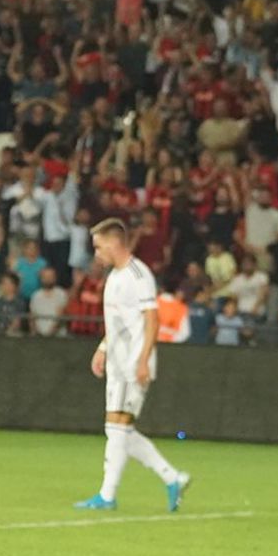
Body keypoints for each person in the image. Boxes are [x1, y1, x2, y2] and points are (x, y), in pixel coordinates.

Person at [74, 219, 191, 513]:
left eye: (99, 247)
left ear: (115, 243)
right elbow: (117, 322)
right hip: (117, 360)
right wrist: (102, 348)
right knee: (120, 430)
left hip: (131, 362)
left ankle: (107, 496)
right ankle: (172, 477)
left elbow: (153, 319)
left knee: (116, 428)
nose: (97, 254)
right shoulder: (114, 276)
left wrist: (142, 360)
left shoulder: (139, 275)